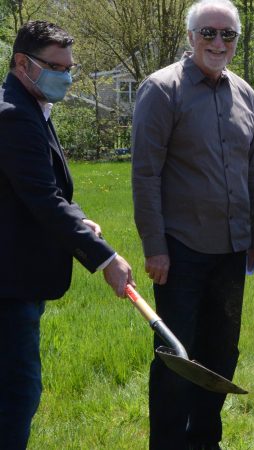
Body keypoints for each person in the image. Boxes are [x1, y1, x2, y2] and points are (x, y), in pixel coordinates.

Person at [130, 0, 254, 447]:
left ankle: (205, 438)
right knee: (177, 355)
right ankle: (168, 442)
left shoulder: (244, 93)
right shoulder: (161, 89)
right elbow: (146, 173)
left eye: (228, 35)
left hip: (231, 249)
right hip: (181, 249)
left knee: (222, 353)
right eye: (208, 33)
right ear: (190, 38)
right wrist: (155, 247)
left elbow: (253, 169)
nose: (218, 42)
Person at [0, 20, 134, 449]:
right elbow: (42, 199)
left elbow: (45, 191)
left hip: (17, 278)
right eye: (57, 67)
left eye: (70, 67)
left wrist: (80, 221)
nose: (68, 77)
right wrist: (106, 258)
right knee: (17, 394)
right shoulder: (13, 116)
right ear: (23, 63)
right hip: (8, 285)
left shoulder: (29, 104)